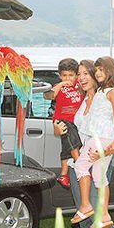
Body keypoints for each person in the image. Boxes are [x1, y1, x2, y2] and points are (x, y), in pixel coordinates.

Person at [54, 59, 114, 228]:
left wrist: (108, 150)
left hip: (95, 158)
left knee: (97, 214)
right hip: (77, 162)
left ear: (96, 75)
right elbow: (68, 126)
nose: (81, 78)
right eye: (79, 74)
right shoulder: (81, 99)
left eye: (86, 74)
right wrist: (57, 128)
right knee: (84, 216)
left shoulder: (105, 96)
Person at [44, 58, 84, 188]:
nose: (67, 78)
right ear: (60, 76)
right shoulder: (58, 87)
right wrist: (60, 85)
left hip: (77, 121)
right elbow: (48, 96)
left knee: (67, 147)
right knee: (72, 141)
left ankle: (63, 175)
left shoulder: (79, 85)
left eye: (71, 75)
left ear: (76, 75)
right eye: (64, 75)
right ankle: (79, 164)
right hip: (62, 119)